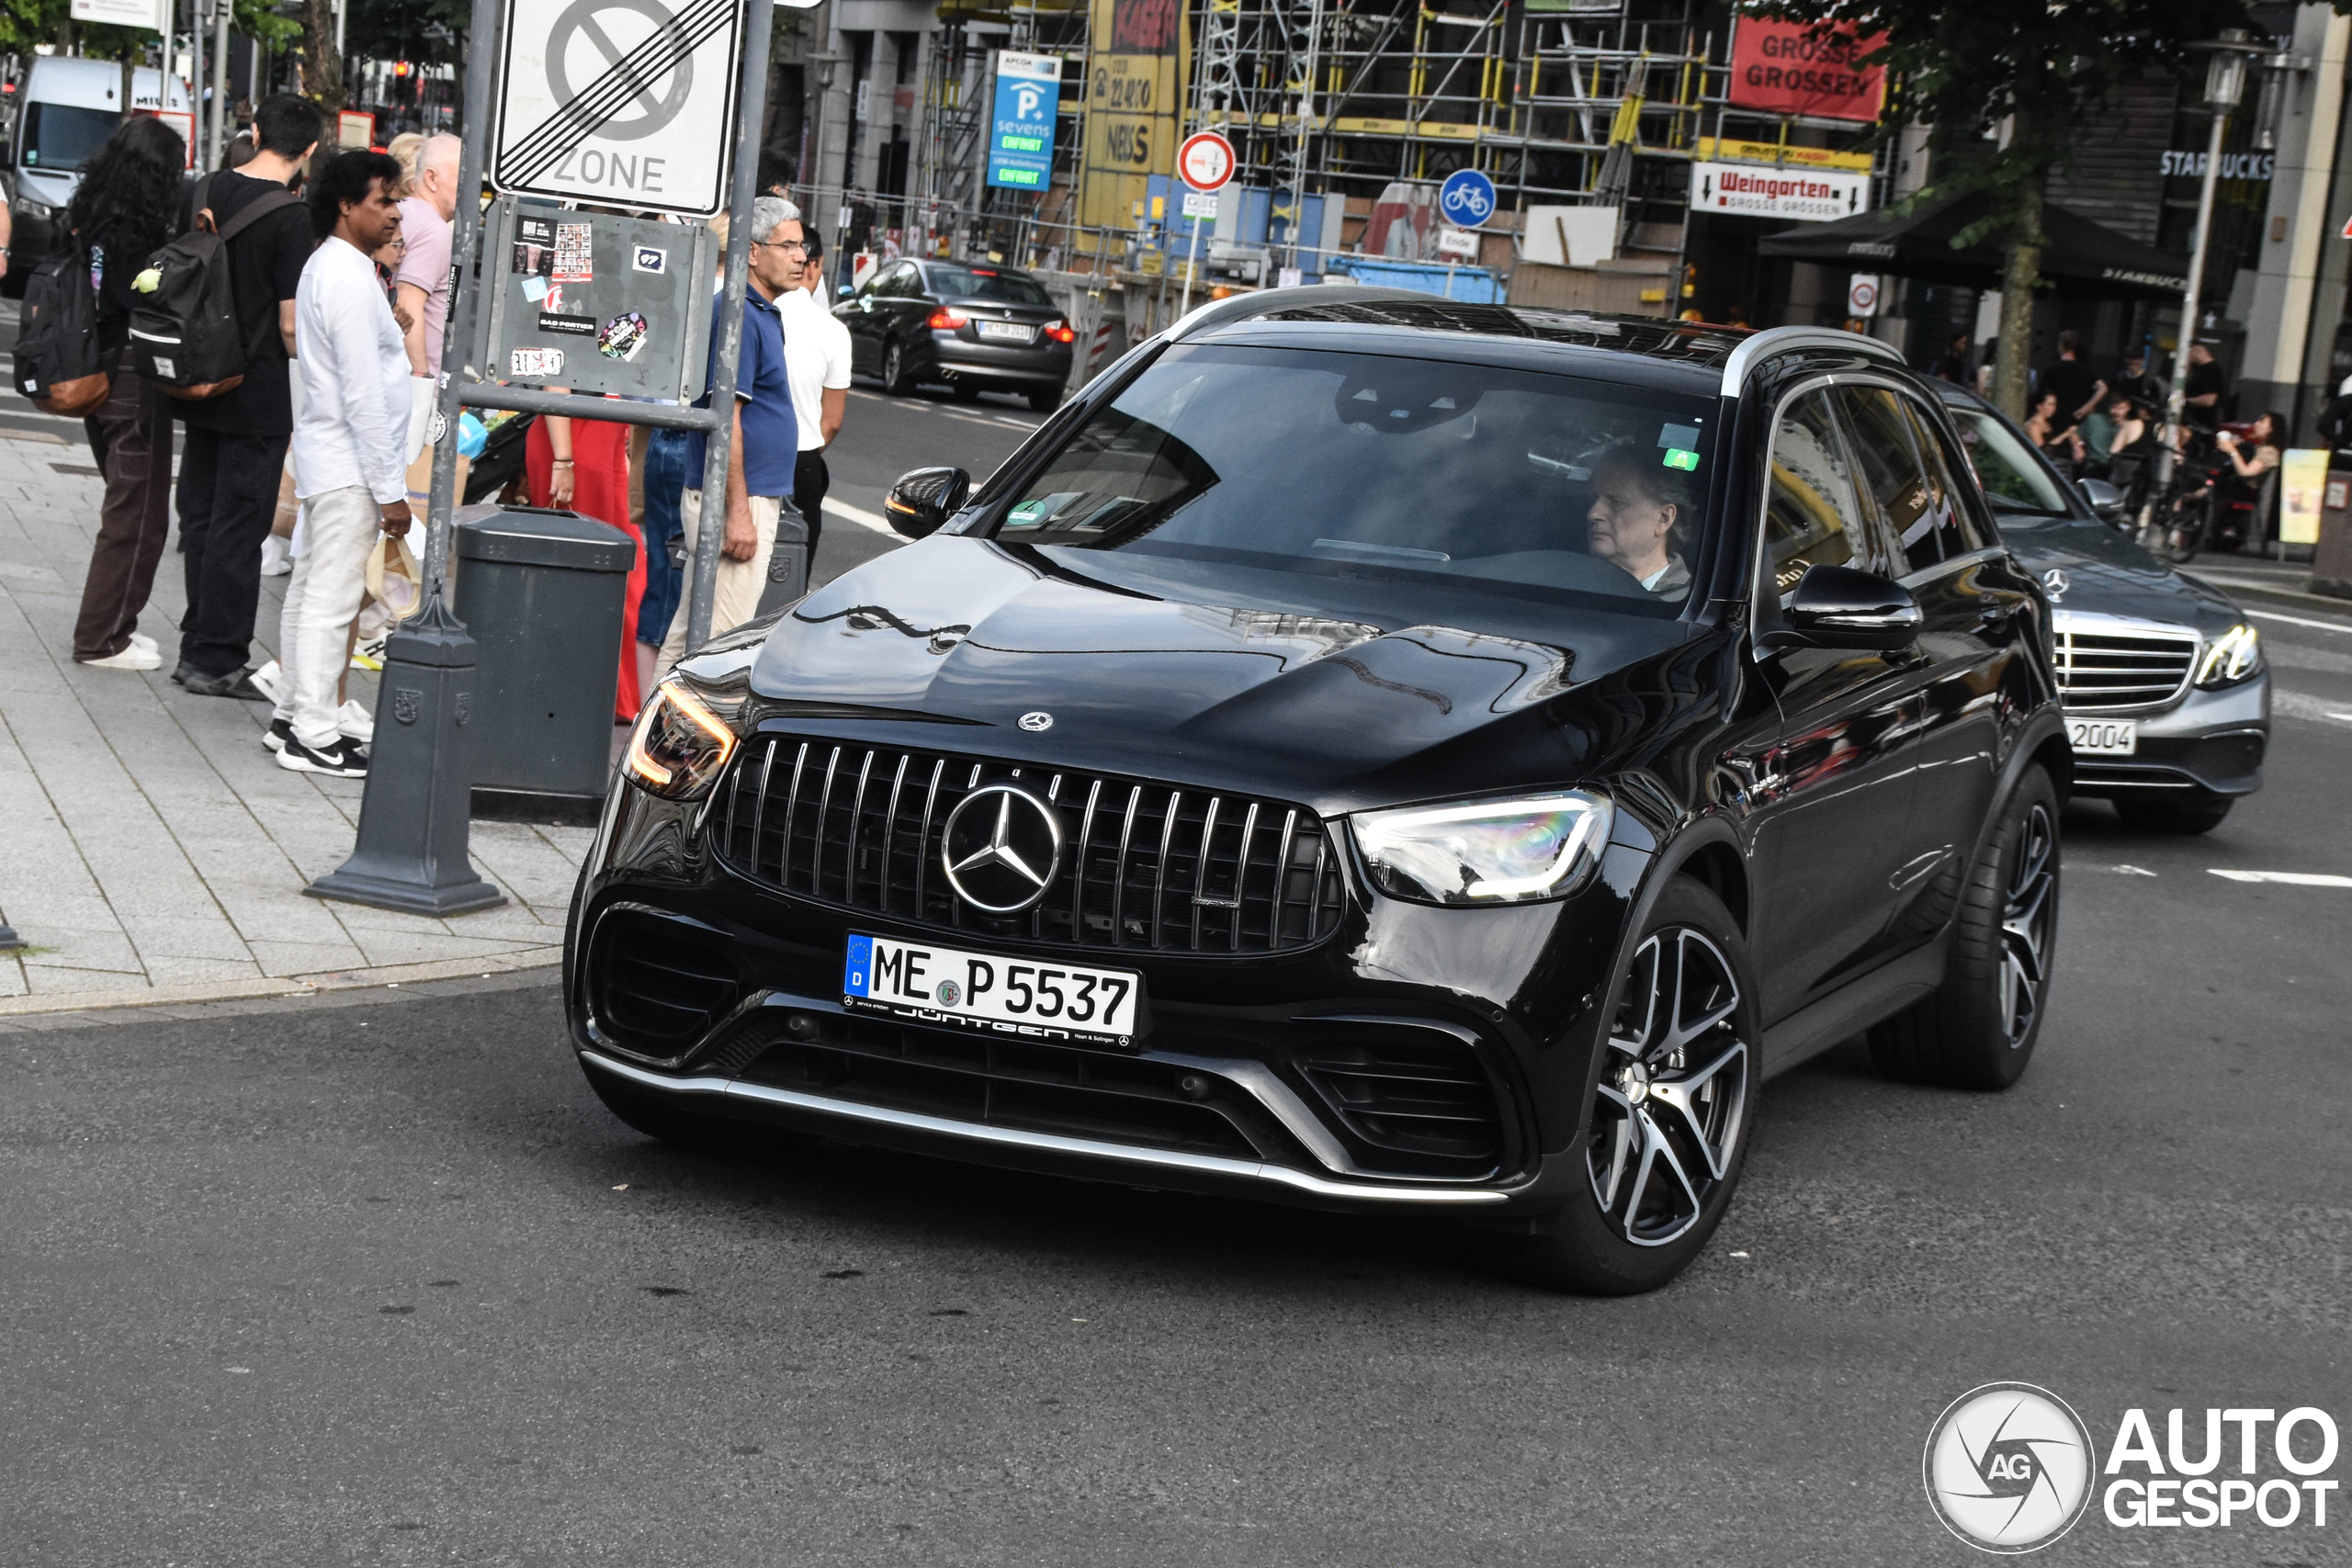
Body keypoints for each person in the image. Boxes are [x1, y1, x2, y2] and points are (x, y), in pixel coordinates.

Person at [171, 92, 322, 700]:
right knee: (240, 522)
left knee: (202, 515)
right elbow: (290, 324)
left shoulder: (202, 189)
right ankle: (218, 657)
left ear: (256, 131)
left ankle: (194, 645)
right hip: (255, 388)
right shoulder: (292, 217)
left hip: (199, 371)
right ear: (309, 149)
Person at [267, 149, 411, 777]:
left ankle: (297, 715)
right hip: (349, 462)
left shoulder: (333, 266)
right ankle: (313, 731)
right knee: (330, 597)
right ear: (347, 205)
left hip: (332, 455)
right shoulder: (347, 276)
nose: (394, 212)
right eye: (383, 200)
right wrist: (390, 490)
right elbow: (363, 392)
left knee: (311, 591)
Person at [657, 195, 801, 675]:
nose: (801, 256)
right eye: (789, 246)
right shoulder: (739, 313)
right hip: (737, 499)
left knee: (691, 634)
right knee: (720, 645)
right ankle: (681, 748)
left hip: (737, 495)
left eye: (802, 247)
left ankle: (651, 741)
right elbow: (726, 420)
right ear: (754, 251)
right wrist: (739, 514)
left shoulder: (755, 311)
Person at [62, 116, 187, 672]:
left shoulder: (88, 216)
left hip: (92, 368)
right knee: (137, 512)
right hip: (132, 376)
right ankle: (103, 637)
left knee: (126, 500)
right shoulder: (139, 236)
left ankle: (113, 628)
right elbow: (141, 297)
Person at [775, 221, 850, 563]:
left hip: (745, 456)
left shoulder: (753, 312)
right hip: (800, 460)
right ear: (815, 264)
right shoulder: (833, 330)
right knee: (791, 571)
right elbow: (831, 421)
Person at [1585, 446, 1693, 600]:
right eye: (1593, 499)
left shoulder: (1690, 601)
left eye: (1616, 502)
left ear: (1664, 518)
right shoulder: (1564, 579)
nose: (1593, 514)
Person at [2041, 330, 2106, 423]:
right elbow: (2102, 388)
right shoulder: (2085, 369)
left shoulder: (2051, 369)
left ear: (2061, 344)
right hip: (2077, 418)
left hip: (2055, 418)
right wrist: (2086, 408)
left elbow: (2044, 394)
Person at [2182, 341, 2228, 432]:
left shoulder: (2213, 370)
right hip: (2190, 421)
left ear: (2197, 351)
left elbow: (2210, 400)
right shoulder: (2197, 370)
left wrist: (2187, 401)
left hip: (2201, 423)